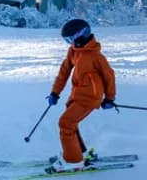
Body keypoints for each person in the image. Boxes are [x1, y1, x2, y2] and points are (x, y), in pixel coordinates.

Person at [46, 19, 116, 173]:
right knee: (70, 123)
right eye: (67, 40)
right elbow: (64, 72)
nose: (70, 43)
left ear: (82, 33)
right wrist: (55, 92)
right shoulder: (73, 51)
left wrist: (110, 98)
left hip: (91, 97)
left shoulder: (96, 56)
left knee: (65, 123)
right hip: (77, 95)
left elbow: (109, 76)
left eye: (71, 38)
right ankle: (79, 153)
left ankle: (73, 161)